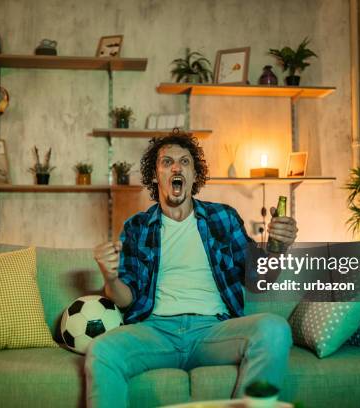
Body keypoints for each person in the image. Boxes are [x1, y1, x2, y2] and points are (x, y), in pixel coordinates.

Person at [87, 132, 298, 407]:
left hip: (212, 331)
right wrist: (110, 277)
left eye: (185, 162)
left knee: (275, 329)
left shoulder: (223, 217)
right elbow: (126, 299)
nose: (176, 167)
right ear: (155, 175)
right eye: (167, 162)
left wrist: (278, 248)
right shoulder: (136, 227)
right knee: (102, 350)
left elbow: (258, 281)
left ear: (194, 174)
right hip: (155, 331)